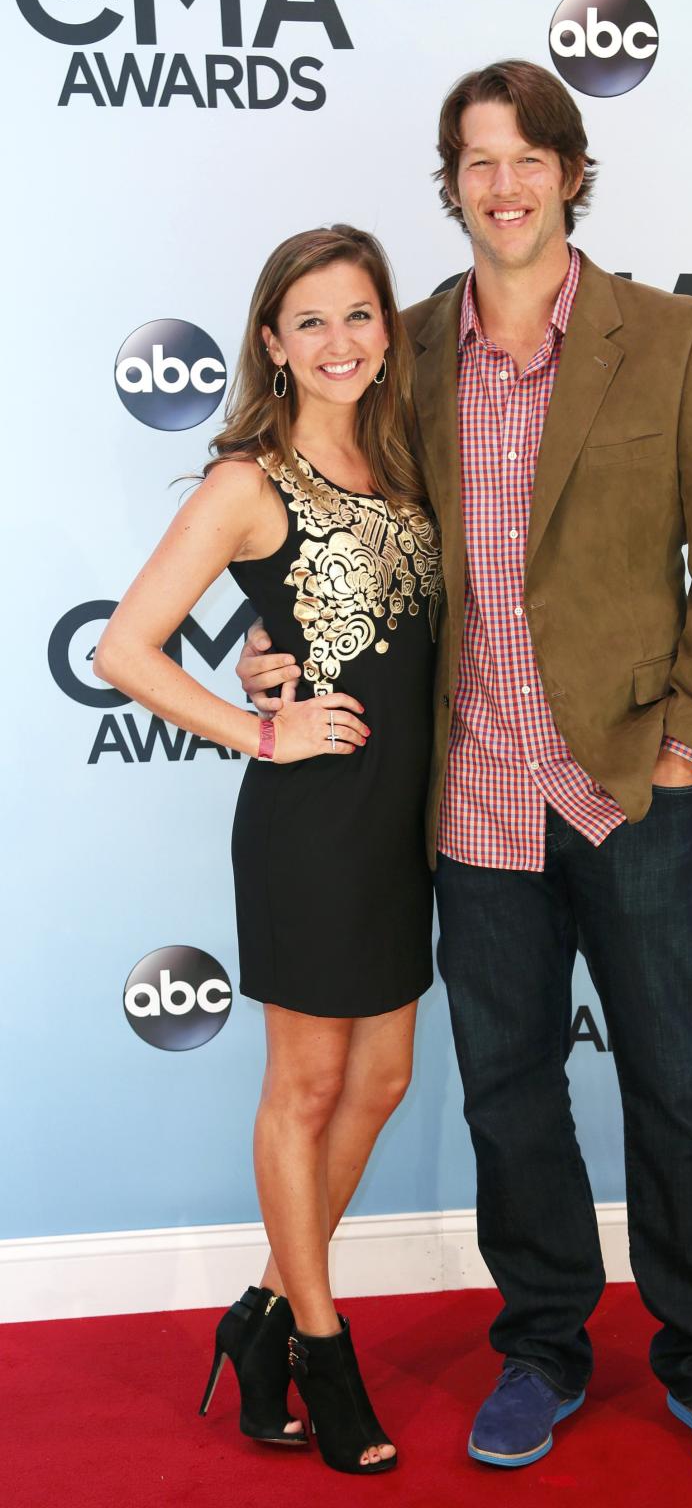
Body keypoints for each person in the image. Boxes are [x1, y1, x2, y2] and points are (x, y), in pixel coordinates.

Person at [239, 60, 692, 1484]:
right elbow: (320, 518)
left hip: (631, 793)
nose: (504, 183)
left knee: (676, 1082)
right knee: (507, 1098)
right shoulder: (402, 348)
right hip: (471, 804)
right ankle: (542, 1344)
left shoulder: (670, 339)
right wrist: (268, 652)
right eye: (476, 161)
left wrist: (686, 748)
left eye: (528, 155)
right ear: (451, 185)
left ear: (571, 171)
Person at [95, 224, 443, 1476]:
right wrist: (258, 724)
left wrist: (267, 647)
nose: (341, 341)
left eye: (360, 315)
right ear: (271, 342)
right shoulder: (248, 480)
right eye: (311, 321)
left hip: (406, 821)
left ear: (387, 330)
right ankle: (321, 1348)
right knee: (303, 1089)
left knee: (383, 1080)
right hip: (313, 825)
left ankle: (255, 1322)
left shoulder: (405, 458)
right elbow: (123, 649)